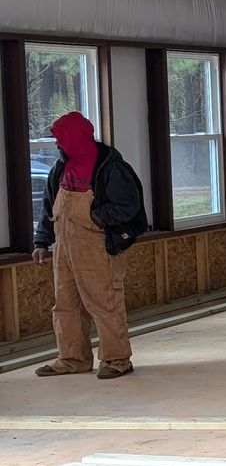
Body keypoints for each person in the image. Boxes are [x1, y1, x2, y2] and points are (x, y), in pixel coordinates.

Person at [31, 112, 149, 379]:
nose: (57, 144)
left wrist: (95, 217)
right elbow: (49, 208)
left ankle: (116, 360)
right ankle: (73, 359)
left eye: (60, 138)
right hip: (64, 247)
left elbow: (127, 207)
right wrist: (41, 240)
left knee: (104, 303)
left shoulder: (111, 168)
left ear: (74, 137)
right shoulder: (60, 169)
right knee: (66, 306)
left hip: (96, 247)